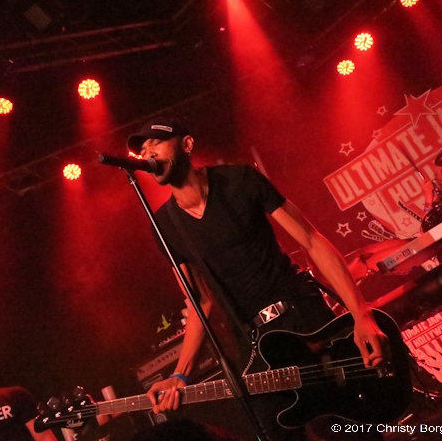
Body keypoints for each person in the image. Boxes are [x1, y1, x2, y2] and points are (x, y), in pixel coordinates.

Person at [126, 117, 389, 441]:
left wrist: (361, 315)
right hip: (252, 343)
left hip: (304, 320)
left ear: (187, 144)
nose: (148, 152)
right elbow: (199, 303)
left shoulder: (239, 180)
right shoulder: (166, 224)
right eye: (143, 150)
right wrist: (180, 374)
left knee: (350, 428)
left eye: (156, 143)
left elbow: (311, 240)